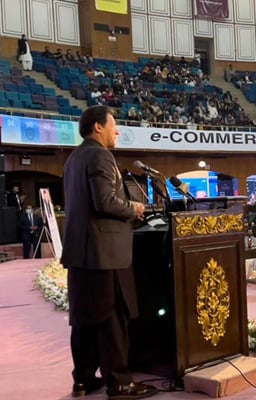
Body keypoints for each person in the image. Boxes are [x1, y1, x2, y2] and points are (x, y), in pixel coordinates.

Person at [61, 106, 157, 399]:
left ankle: (84, 379)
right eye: (113, 125)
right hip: (105, 253)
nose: (117, 131)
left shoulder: (74, 158)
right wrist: (134, 208)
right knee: (113, 318)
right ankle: (119, 382)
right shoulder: (101, 155)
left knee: (84, 318)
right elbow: (105, 202)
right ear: (97, 127)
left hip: (81, 253)